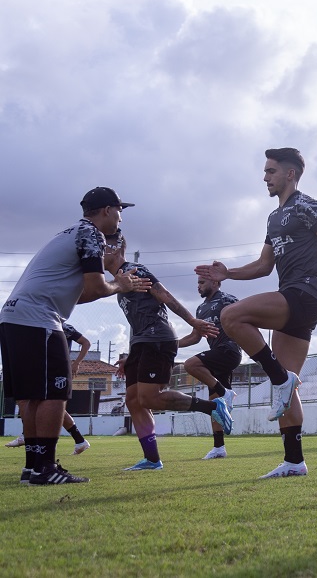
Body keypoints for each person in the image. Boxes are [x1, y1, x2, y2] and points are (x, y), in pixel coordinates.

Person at [196, 147, 317, 478]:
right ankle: (294, 461)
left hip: (305, 291)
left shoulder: (308, 206)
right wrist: (228, 273)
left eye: (270, 171)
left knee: (231, 316)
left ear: (290, 174)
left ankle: (280, 380)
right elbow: (265, 265)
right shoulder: (272, 218)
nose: (264, 177)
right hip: (291, 297)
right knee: (287, 389)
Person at [1, 187, 150, 485]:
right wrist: (120, 284)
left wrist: (111, 277)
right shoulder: (90, 234)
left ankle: (33, 468)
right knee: (55, 392)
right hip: (38, 318)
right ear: (107, 210)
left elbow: (77, 295)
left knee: (32, 396)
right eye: (119, 211)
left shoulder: (70, 233)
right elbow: (96, 288)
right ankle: (45, 469)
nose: (121, 219)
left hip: (14, 316)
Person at [104, 231, 232, 471]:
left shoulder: (135, 270)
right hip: (142, 342)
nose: (98, 252)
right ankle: (152, 460)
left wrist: (193, 321)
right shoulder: (120, 282)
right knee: (133, 400)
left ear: (116, 249)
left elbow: (164, 296)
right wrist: (131, 357)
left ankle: (213, 407)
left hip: (158, 339)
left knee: (149, 398)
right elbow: (138, 319)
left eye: (103, 247)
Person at [6, 320, 93, 456]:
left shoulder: (62, 326)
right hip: (41, 369)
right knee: (40, 402)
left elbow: (86, 342)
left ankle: (28, 437)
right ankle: (79, 440)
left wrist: (76, 363)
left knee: (42, 402)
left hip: (55, 371)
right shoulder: (38, 324)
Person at [178, 276, 242, 459]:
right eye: (197, 282)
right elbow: (194, 337)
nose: (198, 286)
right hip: (217, 355)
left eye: (202, 282)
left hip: (229, 350)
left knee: (190, 364)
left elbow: (244, 321)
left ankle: (225, 393)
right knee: (216, 404)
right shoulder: (200, 309)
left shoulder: (227, 300)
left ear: (215, 282)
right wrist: (172, 344)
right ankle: (219, 447)